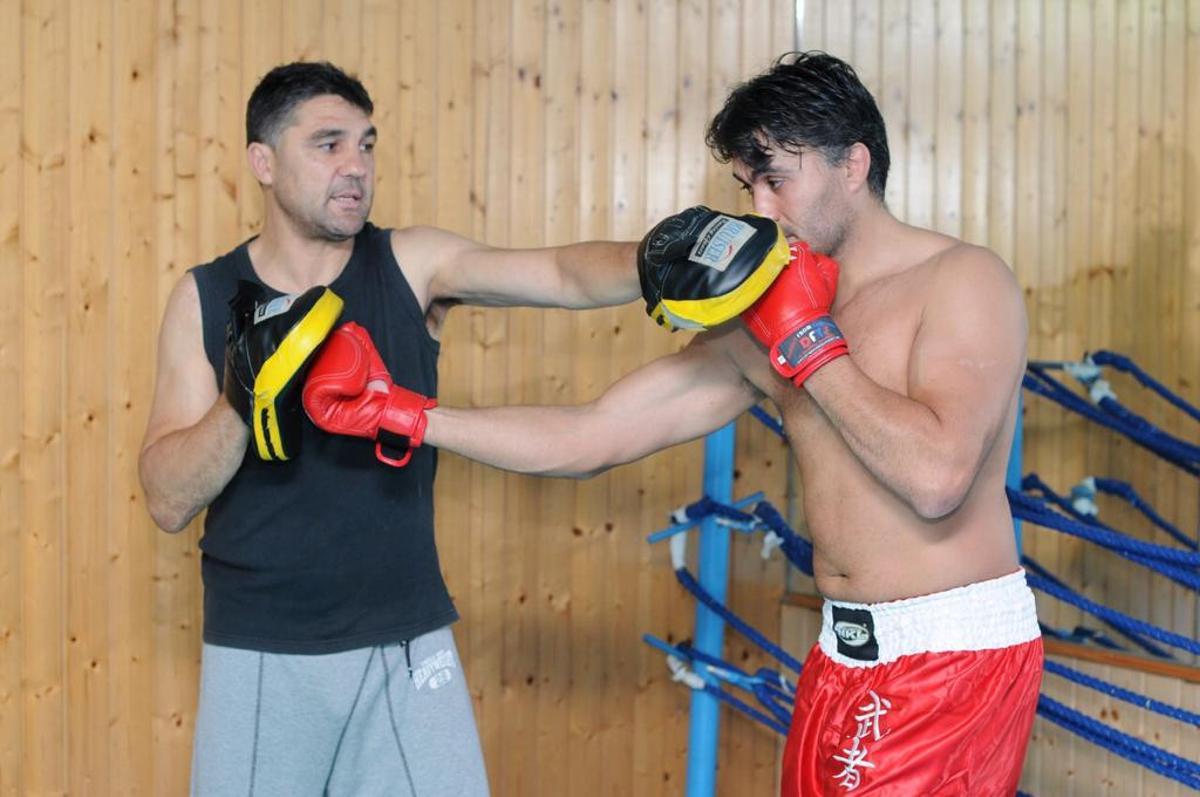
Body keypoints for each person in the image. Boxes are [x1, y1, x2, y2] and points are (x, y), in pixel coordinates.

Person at [307, 52, 1043, 796]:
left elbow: (937, 477)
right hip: (842, 652)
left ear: (853, 164)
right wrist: (406, 413)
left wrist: (809, 342)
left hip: (953, 656)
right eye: (747, 185)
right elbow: (593, 434)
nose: (761, 209)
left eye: (777, 179)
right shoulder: (765, 322)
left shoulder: (962, 281)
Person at [138, 61, 667, 796]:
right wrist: (242, 400)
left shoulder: (410, 265)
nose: (355, 167)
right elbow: (166, 497)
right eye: (328, 145)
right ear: (263, 161)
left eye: (367, 144)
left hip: (409, 644)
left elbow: (561, 276)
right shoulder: (206, 296)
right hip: (265, 647)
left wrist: (658, 262)